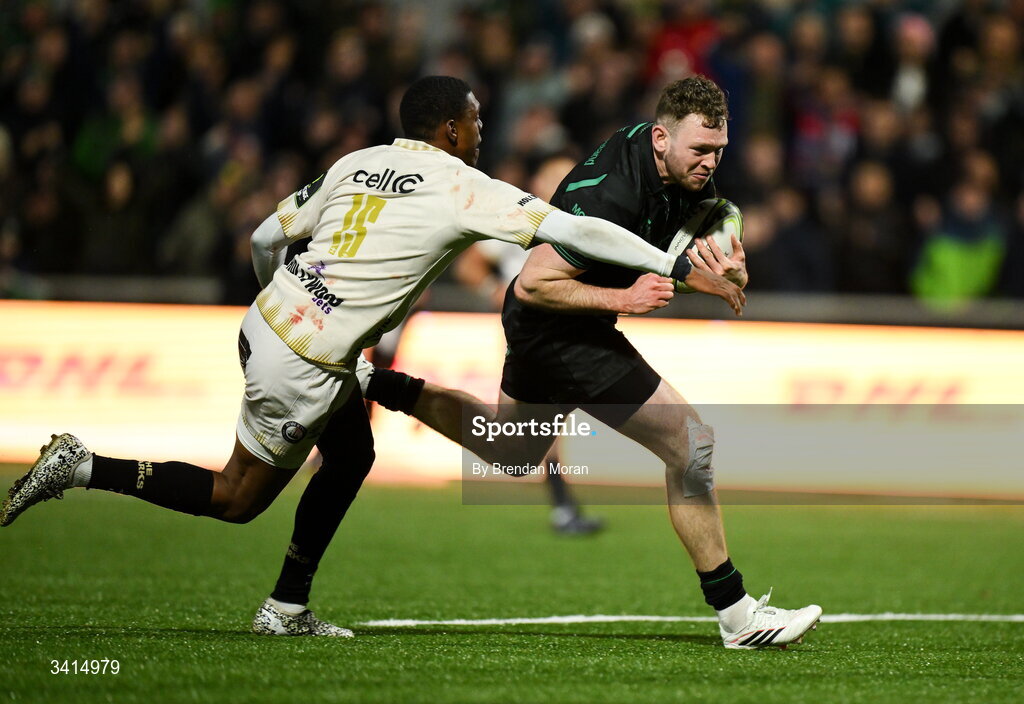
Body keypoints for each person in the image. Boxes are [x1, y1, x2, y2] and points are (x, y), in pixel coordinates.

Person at [0, 76, 743, 637]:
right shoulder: (460, 185)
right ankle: (85, 465)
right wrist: (672, 268)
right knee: (237, 499)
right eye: (477, 122)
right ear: (452, 130)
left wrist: (285, 306)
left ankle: (289, 603)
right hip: (309, 362)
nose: (483, 133)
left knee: (354, 454)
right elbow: (575, 235)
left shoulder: (357, 163)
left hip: (268, 323)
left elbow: (264, 237)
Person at [361, 76, 822, 649]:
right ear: (660, 139)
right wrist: (624, 299)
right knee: (691, 441)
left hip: (540, 331)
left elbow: (719, 208)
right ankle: (737, 615)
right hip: (560, 327)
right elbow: (533, 283)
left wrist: (729, 244)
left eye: (718, 150)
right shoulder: (610, 196)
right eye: (700, 151)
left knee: (510, 449)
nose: (710, 162)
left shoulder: (663, 159)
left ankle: (382, 383)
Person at [453, 154, 604, 535]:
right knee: (539, 419)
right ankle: (562, 506)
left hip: (561, 329)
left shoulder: (577, 225)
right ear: (537, 183)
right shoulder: (522, 221)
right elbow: (468, 265)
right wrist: (497, 291)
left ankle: (561, 503)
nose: (562, 182)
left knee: (540, 421)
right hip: (526, 331)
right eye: (554, 175)